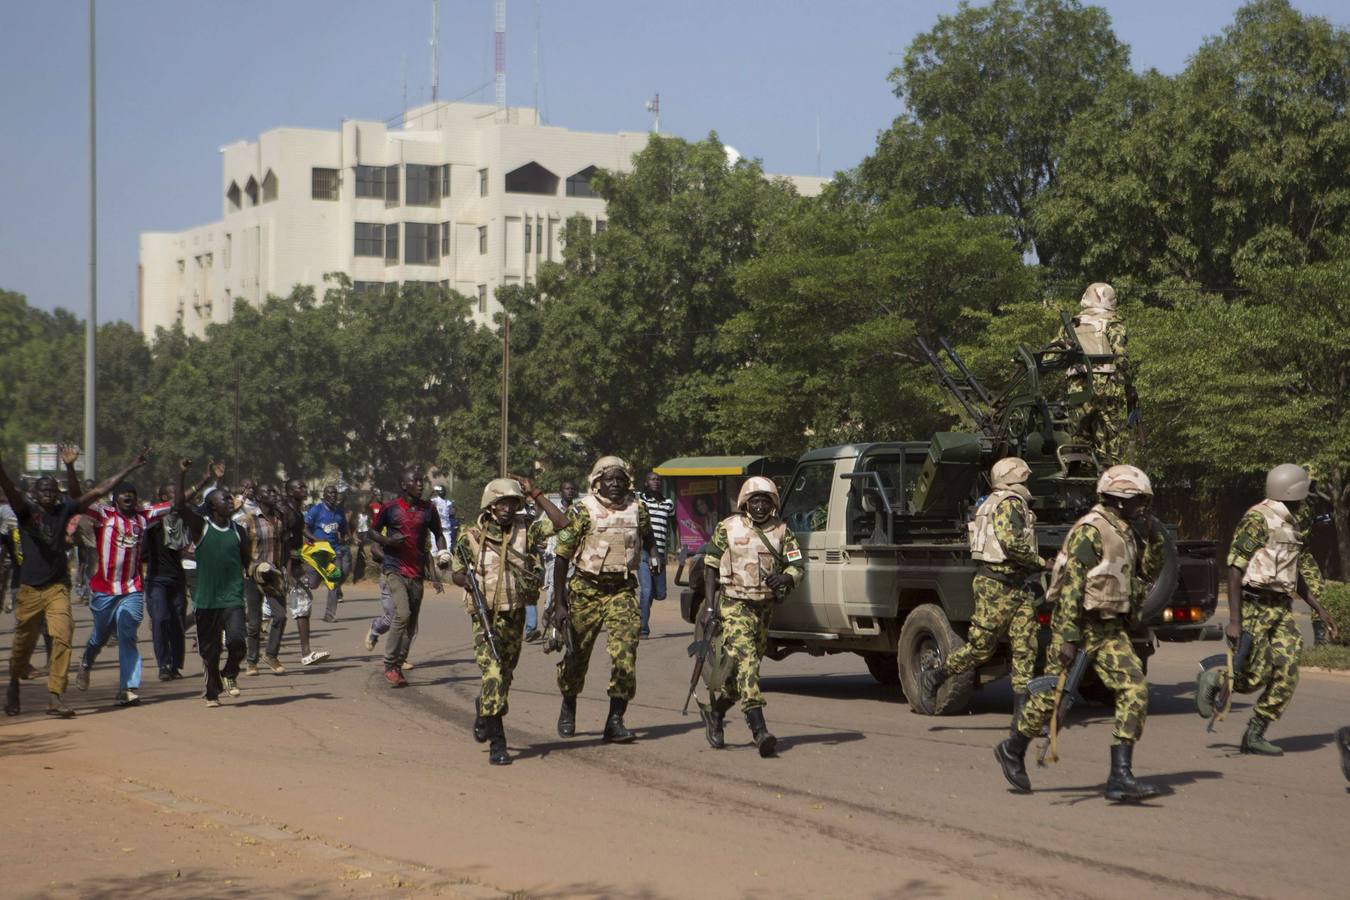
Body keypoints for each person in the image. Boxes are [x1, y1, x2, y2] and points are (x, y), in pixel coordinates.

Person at [995, 465, 1164, 801]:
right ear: (1118, 500)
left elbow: (1147, 571)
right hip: (1079, 624)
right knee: (1050, 699)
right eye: (1138, 500)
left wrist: (1155, 536)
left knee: (1134, 690)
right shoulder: (1091, 530)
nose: (1142, 506)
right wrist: (1069, 637)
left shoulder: (1127, 530)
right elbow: (1072, 585)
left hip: (1110, 627)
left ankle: (1120, 775)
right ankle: (1012, 748)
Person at [1195, 464, 1339, 755]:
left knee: (1288, 669)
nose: (1305, 501)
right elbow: (1235, 568)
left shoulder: (1291, 524)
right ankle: (1216, 678)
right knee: (1252, 676)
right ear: (1290, 493)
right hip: (1255, 606)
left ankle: (1255, 733)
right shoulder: (1257, 519)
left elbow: (1293, 573)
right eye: (1302, 495)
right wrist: (1235, 621)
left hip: (1281, 608)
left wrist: (1319, 609)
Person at [3, 444, 150, 718]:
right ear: (34, 494)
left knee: (63, 634)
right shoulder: (25, 511)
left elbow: (99, 491)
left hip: (57, 586)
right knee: (24, 642)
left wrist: (130, 466)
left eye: (52, 490)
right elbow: (10, 488)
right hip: (29, 589)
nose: (48, 494)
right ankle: (13, 684)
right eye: (42, 490)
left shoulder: (64, 510)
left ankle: (55, 696)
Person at [452, 476, 567, 765]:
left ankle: (485, 710)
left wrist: (535, 493)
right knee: (492, 674)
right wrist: (466, 581)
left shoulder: (525, 530)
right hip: (485, 617)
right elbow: (454, 571)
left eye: (512, 502)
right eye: (501, 502)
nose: (506, 508)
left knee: (505, 676)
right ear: (490, 505)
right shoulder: (470, 536)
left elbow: (562, 523)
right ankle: (498, 742)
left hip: (514, 614)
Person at [923, 457, 1048, 717]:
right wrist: (1041, 562)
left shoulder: (994, 502)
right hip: (996, 586)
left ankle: (1022, 713)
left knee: (1026, 646)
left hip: (1016, 585)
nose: (1026, 481)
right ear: (1011, 479)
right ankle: (938, 674)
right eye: (1022, 477)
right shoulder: (1008, 503)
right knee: (981, 648)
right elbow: (1010, 543)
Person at [551, 456, 657, 743]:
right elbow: (562, 556)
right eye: (608, 479)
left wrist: (655, 554)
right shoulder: (583, 511)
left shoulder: (638, 509)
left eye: (620, 479)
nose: (614, 484)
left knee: (625, 654)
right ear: (597, 482)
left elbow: (648, 536)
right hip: (586, 589)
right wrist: (559, 602)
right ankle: (569, 703)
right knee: (576, 656)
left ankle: (615, 720)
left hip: (622, 589)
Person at [697, 476, 803, 757]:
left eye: (765, 501)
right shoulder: (727, 528)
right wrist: (710, 608)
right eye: (755, 501)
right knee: (748, 663)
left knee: (739, 677)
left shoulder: (782, 531)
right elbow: (709, 566)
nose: (759, 506)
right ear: (745, 502)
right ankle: (760, 731)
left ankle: (715, 713)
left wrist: (785, 578)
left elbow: (797, 564)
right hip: (734, 605)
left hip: (764, 608)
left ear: (773, 504)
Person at [75, 463, 177, 707]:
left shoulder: (145, 517)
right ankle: (87, 661)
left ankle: (127, 688)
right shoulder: (103, 515)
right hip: (104, 590)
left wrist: (193, 477)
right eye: (123, 493)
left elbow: (179, 503)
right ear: (115, 498)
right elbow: (78, 499)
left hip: (131, 589)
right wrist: (70, 467)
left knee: (127, 635)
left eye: (132, 493)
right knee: (99, 637)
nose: (128, 495)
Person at [175, 459, 250, 707]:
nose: (231, 501)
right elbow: (179, 505)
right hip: (207, 599)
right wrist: (182, 475)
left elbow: (246, 562)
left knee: (238, 641)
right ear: (212, 506)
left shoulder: (239, 531)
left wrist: (259, 573)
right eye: (225, 499)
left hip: (233, 597)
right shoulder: (200, 527)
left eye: (231, 498)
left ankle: (230, 673)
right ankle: (211, 691)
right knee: (210, 651)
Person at [367, 468, 449, 686]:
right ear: (404, 485)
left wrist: (442, 553)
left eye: (422, 481)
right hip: (394, 568)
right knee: (402, 614)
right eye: (416, 481)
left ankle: (398, 665)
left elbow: (438, 534)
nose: (421, 484)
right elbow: (372, 532)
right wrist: (389, 542)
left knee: (411, 624)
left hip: (417, 571)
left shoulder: (428, 509)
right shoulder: (390, 508)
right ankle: (389, 663)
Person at [144, 467, 217, 681]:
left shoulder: (185, 520)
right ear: (164, 498)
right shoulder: (152, 522)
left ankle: (174, 665)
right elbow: (143, 555)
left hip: (177, 577)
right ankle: (163, 665)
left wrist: (207, 479)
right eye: (174, 493)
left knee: (176, 622)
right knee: (160, 620)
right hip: (157, 579)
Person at [1065, 282, 1137, 465]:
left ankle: (1081, 471)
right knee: (1109, 435)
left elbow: (1053, 353)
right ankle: (1111, 476)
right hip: (1106, 386)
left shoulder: (1072, 324)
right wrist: (1128, 383)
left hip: (1078, 387)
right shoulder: (1112, 322)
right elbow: (1120, 355)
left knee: (1080, 435)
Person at [279, 478, 329, 666]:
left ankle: (306, 652)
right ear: (290, 492)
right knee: (268, 612)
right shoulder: (285, 512)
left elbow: (302, 530)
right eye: (300, 487)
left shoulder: (297, 511)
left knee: (302, 606)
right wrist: (289, 571)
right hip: (284, 565)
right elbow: (282, 542)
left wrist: (318, 542)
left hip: (296, 564)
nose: (304, 489)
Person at [242, 483, 287, 676]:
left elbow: (282, 546)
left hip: (273, 575)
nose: (272, 493)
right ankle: (251, 661)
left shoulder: (278, 519)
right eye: (267, 491)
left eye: (272, 490)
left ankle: (271, 654)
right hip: (252, 576)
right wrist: (247, 568)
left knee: (280, 615)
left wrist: (285, 571)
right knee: (254, 622)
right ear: (259, 498)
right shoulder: (249, 520)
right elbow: (241, 548)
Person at [531, 479, 581, 643]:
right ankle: (547, 611)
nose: (570, 491)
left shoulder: (579, 511)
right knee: (554, 588)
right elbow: (539, 529)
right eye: (567, 488)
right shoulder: (551, 510)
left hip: (573, 556)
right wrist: (542, 547)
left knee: (569, 589)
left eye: (572, 489)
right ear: (560, 493)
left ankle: (560, 623)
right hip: (554, 555)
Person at [637, 472, 675, 640]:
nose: (656, 482)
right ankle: (642, 629)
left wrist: (680, 548)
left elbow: (675, 526)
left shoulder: (668, 504)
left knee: (659, 594)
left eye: (659, 480)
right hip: (644, 552)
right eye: (652, 479)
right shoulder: (641, 501)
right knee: (646, 589)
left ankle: (642, 612)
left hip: (660, 553)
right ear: (646, 483)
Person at [305, 485, 349, 622]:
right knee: (313, 584)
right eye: (330, 493)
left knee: (334, 581)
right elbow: (304, 528)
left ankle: (329, 615)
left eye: (335, 493)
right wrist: (315, 539)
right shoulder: (316, 510)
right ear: (324, 495)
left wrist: (345, 537)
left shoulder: (340, 512)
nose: (333, 495)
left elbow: (344, 530)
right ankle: (305, 583)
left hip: (335, 550)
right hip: (318, 551)